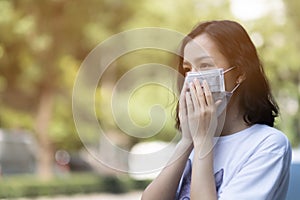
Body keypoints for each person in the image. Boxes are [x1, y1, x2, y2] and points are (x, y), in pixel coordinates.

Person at [141, 20, 291, 200]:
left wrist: (203, 141)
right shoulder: (195, 141)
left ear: (240, 72)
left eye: (204, 66)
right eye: (188, 69)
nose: (192, 78)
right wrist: (188, 140)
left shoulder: (268, 144)